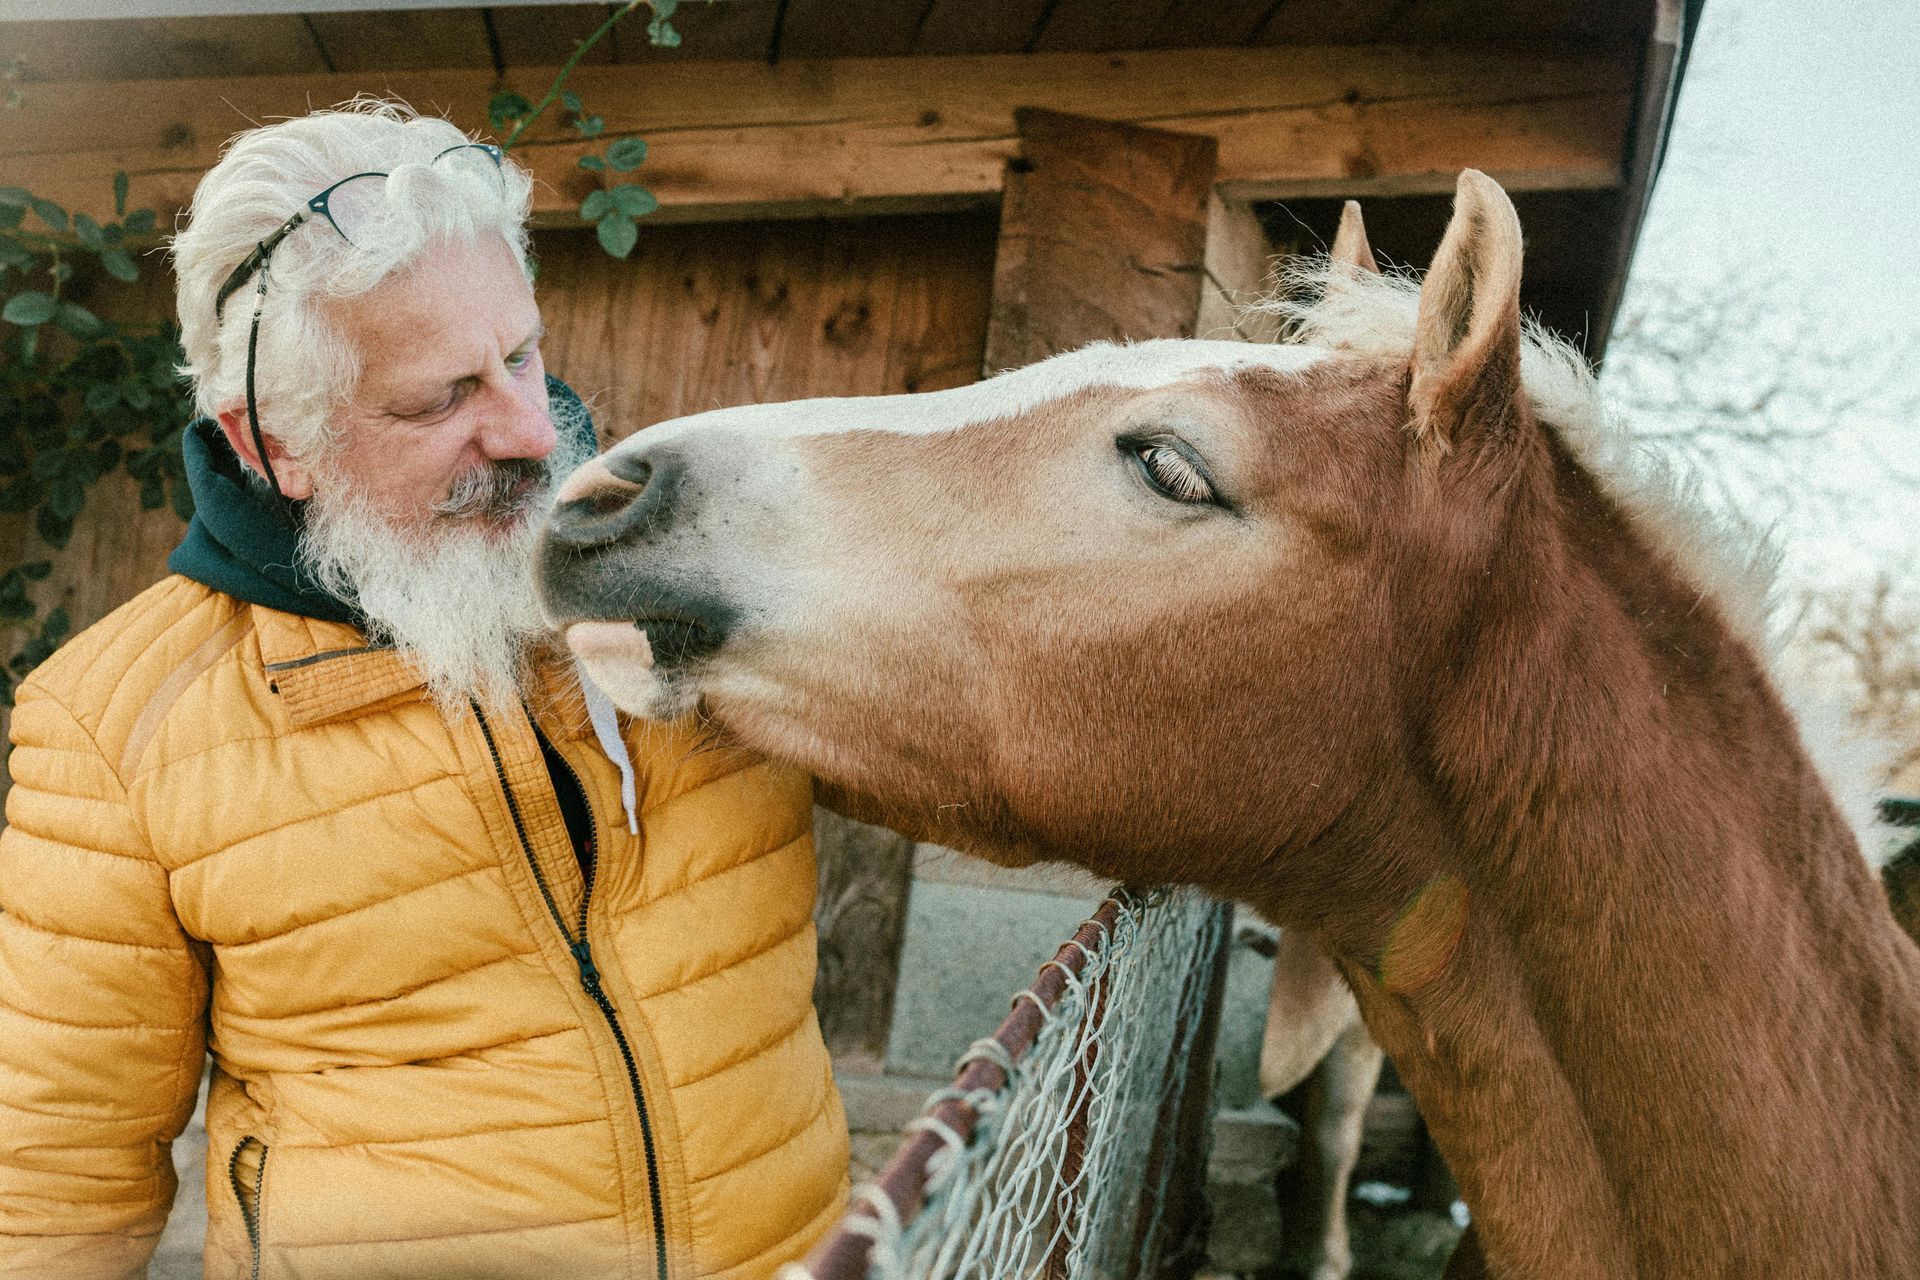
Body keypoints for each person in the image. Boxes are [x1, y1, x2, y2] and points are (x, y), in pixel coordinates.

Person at [0, 102, 847, 1280]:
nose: (530, 430)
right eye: (440, 398)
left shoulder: (700, 571)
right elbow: (51, 1184)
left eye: (522, 354)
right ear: (273, 443)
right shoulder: (112, 725)